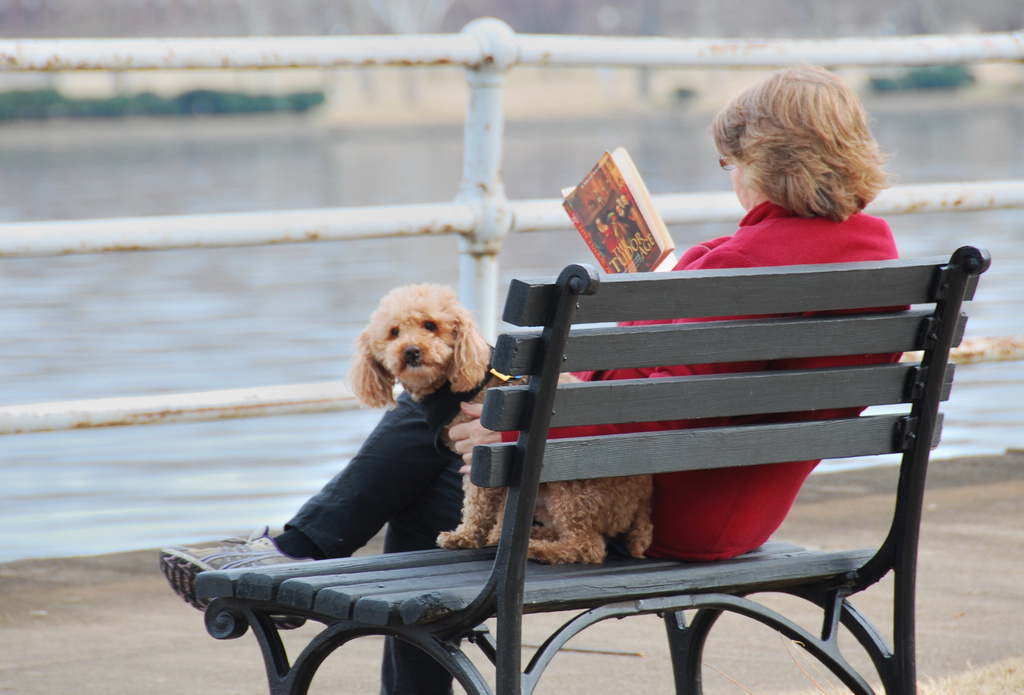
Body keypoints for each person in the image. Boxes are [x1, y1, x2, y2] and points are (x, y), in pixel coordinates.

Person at [160, 64, 897, 694]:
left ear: (767, 159)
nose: (731, 180)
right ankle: (301, 545)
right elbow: (693, 383)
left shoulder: (746, 263)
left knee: (433, 426)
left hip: (658, 511)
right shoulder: (875, 253)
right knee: (454, 431)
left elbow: (657, 407)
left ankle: (295, 551)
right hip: (738, 504)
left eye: (730, 165)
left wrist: (518, 423)